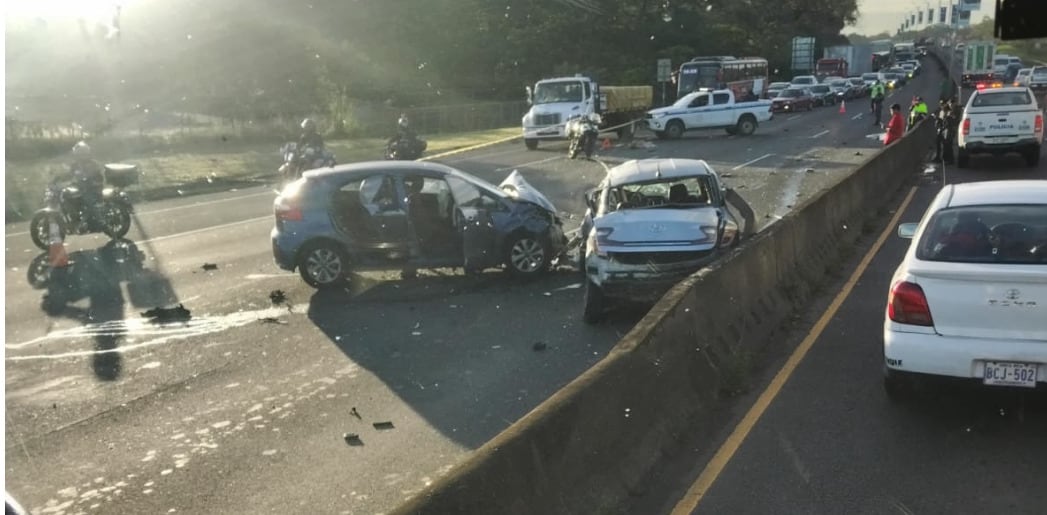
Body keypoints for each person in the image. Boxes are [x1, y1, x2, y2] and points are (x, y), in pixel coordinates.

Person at [60, 141, 106, 228]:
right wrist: (58, 179)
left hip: (94, 189)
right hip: (81, 188)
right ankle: (74, 218)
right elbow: (69, 175)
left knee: (88, 199)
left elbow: (99, 177)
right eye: (77, 154)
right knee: (66, 196)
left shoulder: (93, 164)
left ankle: (100, 221)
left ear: (86, 153)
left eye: (81, 153)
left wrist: (89, 180)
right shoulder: (75, 165)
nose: (79, 156)